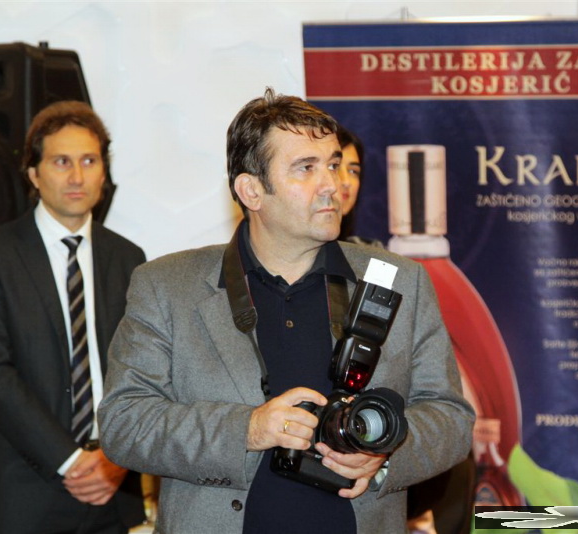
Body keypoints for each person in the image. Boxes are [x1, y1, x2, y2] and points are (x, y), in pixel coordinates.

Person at [98, 88, 474, 534]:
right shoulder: (167, 286)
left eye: (333, 164)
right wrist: (247, 429)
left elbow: (451, 417)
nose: (333, 184)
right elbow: (124, 423)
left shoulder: (399, 281)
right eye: (306, 168)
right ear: (252, 190)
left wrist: (385, 455)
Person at [0, 100, 147, 534]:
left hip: (113, 490)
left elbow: (144, 371)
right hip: (21, 492)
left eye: (89, 161)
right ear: (33, 173)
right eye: (62, 161)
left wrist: (114, 458)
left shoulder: (129, 259)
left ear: (104, 172)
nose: (77, 176)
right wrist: (71, 459)